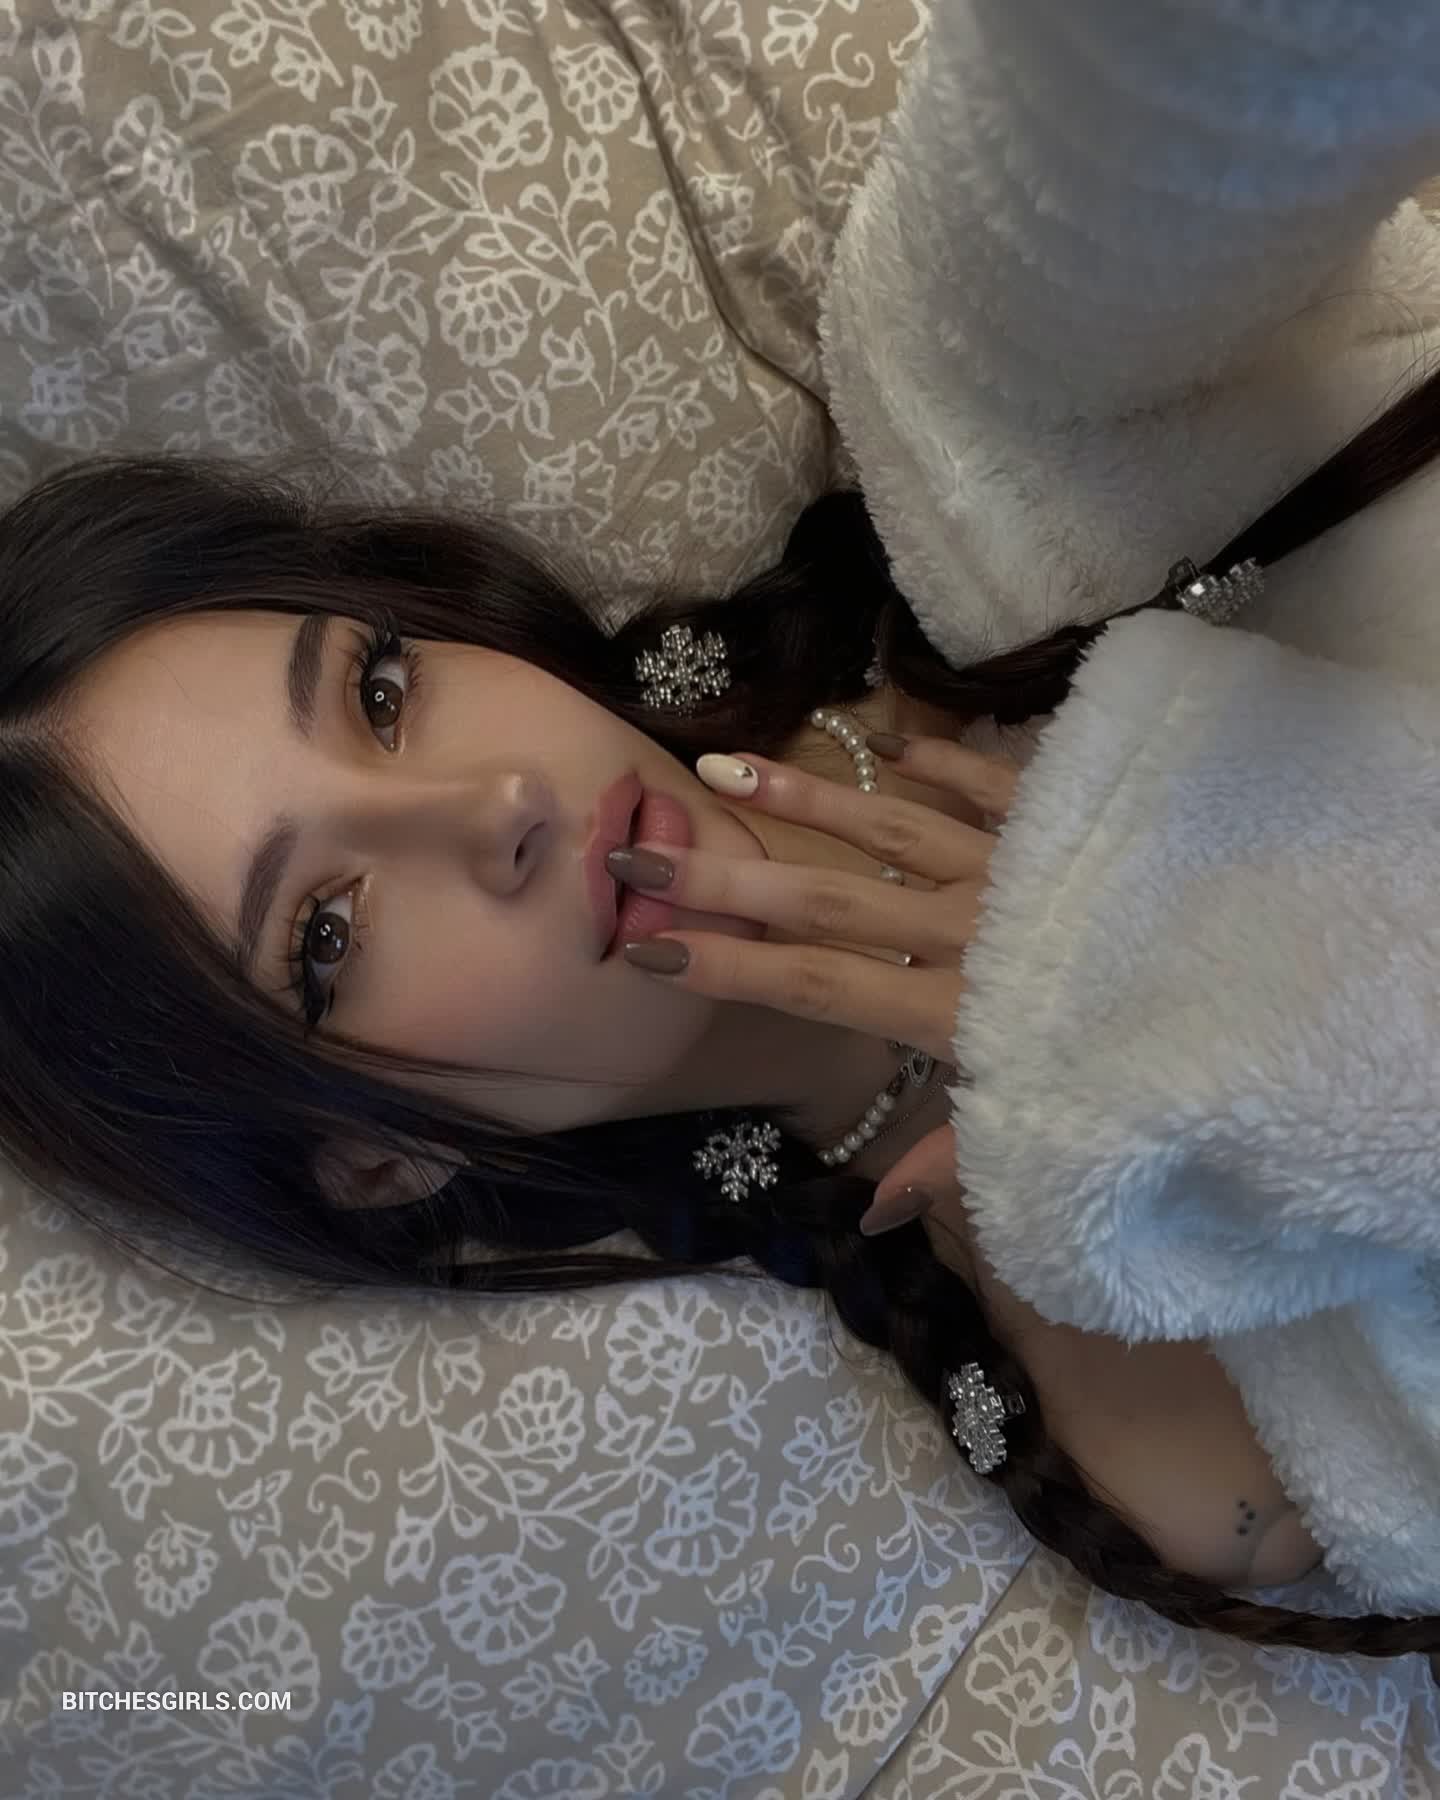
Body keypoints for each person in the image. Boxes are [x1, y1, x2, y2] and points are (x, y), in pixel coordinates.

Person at [1, 0, 1439, 1671]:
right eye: (327, 931)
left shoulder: (981, 443)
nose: (494, 807)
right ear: (378, 1163)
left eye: (381, 691)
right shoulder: (1155, 1423)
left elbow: (1234, 60)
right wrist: (1204, 1008)